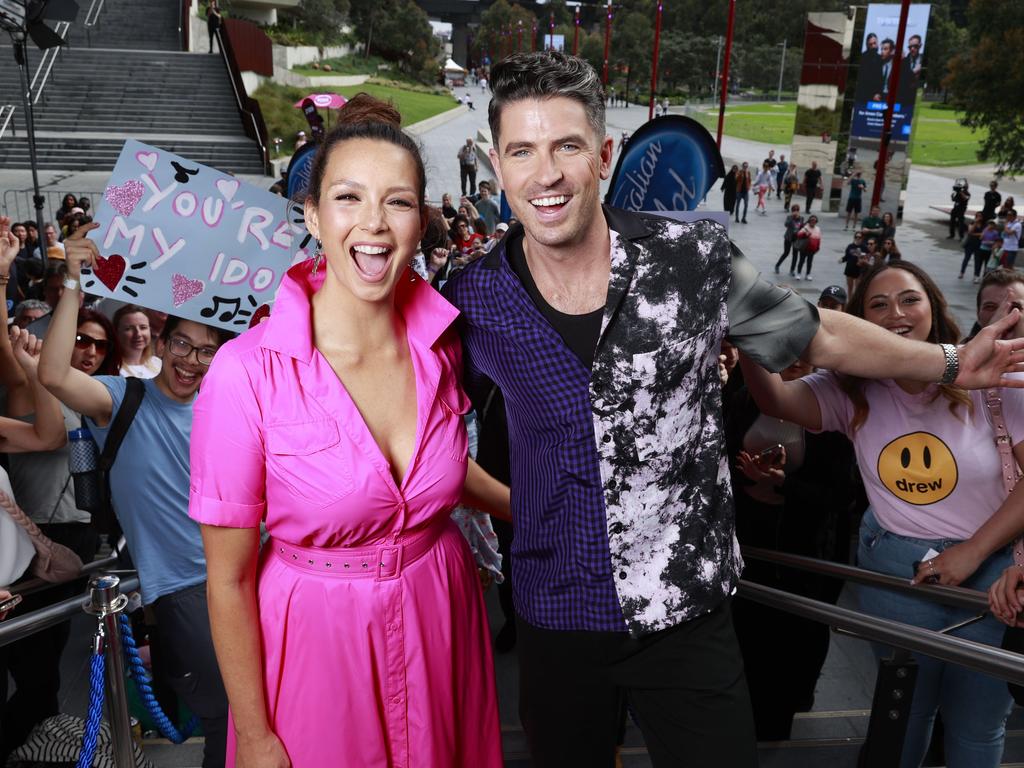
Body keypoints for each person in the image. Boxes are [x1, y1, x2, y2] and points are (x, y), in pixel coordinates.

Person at [443, 50, 1024, 767]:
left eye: (566, 145)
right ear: (496, 166)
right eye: (522, 150)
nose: (547, 172)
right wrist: (516, 510)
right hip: (556, 616)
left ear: (603, 154)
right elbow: (420, 426)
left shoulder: (694, 259)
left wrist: (951, 361)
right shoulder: (471, 295)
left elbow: (821, 333)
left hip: (687, 615)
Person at [190, 94, 506, 768]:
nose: (374, 224)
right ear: (311, 215)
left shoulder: (440, 345)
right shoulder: (244, 373)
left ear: (421, 222)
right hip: (316, 643)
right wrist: (253, 734)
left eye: (397, 202)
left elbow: (438, 468)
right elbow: (228, 580)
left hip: (440, 619)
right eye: (348, 198)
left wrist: (531, 505)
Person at [742, 260, 1024, 768]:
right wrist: (751, 331)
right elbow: (777, 398)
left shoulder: (994, 374)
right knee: (903, 713)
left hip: (993, 576)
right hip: (898, 575)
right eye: (878, 304)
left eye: (909, 299)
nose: (896, 312)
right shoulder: (851, 391)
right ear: (859, 323)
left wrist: (972, 553)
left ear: (933, 306)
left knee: (977, 725)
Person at [37, 224, 232, 768]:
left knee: (263, 716)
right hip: (186, 592)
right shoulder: (122, 398)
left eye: (208, 353)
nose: (192, 361)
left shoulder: (229, 405)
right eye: (183, 345)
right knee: (226, 722)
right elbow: (54, 374)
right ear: (163, 341)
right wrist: (72, 280)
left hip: (251, 578)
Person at [113, 304, 162, 379]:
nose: (138, 334)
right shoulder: (112, 369)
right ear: (116, 333)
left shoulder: (157, 363)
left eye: (143, 327)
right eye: (128, 328)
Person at [774, 204, 803, 276]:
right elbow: (786, 225)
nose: (795, 212)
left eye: (797, 210)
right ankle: (777, 265)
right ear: (792, 211)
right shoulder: (789, 217)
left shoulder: (801, 218)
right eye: (794, 210)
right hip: (788, 237)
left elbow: (802, 227)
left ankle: (792, 270)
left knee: (795, 255)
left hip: (797, 239)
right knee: (786, 253)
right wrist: (792, 218)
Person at [960, 212, 986, 283]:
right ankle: (962, 272)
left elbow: (984, 234)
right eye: (977, 216)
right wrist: (975, 223)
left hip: (979, 245)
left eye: (980, 216)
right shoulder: (972, 223)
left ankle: (976, 275)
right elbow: (970, 232)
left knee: (977, 260)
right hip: (970, 244)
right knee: (966, 258)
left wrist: (975, 234)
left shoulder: (984, 225)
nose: (979, 217)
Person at [794, 214, 821, 281]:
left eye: (814, 221)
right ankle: (799, 273)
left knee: (810, 262)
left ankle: (808, 274)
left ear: (816, 222)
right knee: (801, 261)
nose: (813, 222)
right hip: (804, 247)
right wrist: (804, 234)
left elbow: (819, 238)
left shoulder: (818, 229)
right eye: (811, 220)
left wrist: (818, 247)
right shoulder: (805, 227)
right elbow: (798, 235)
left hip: (812, 248)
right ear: (809, 221)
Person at [840, 231, 867, 297]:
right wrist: (842, 259)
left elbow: (867, 257)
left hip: (859, 269)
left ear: (862, 238)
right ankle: (850, 301)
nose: (857, 238)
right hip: (850, 268)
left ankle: (856, 302)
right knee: (850, 287)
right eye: (856, 237)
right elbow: (847, 256)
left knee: (857, 288)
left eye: (859, 237)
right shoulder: (850, 246)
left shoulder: (864, 247)